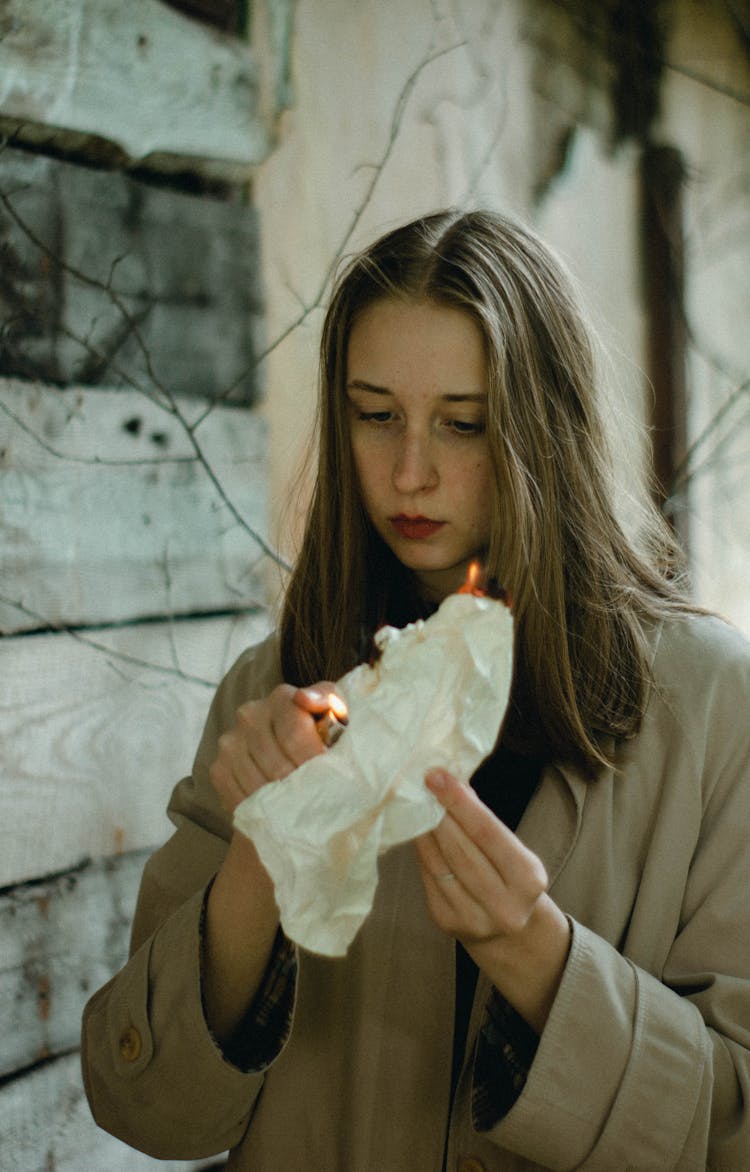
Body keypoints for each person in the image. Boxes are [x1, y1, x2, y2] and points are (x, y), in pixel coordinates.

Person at [81, 210, 750, 1170]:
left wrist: (534, 953)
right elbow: (143, 1106)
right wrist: (261, 866)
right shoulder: (272, 696)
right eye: (376, 413)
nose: (410, 472)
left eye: (463, 424)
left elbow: (734, 1130)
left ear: (544, 431)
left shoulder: (713, 707)